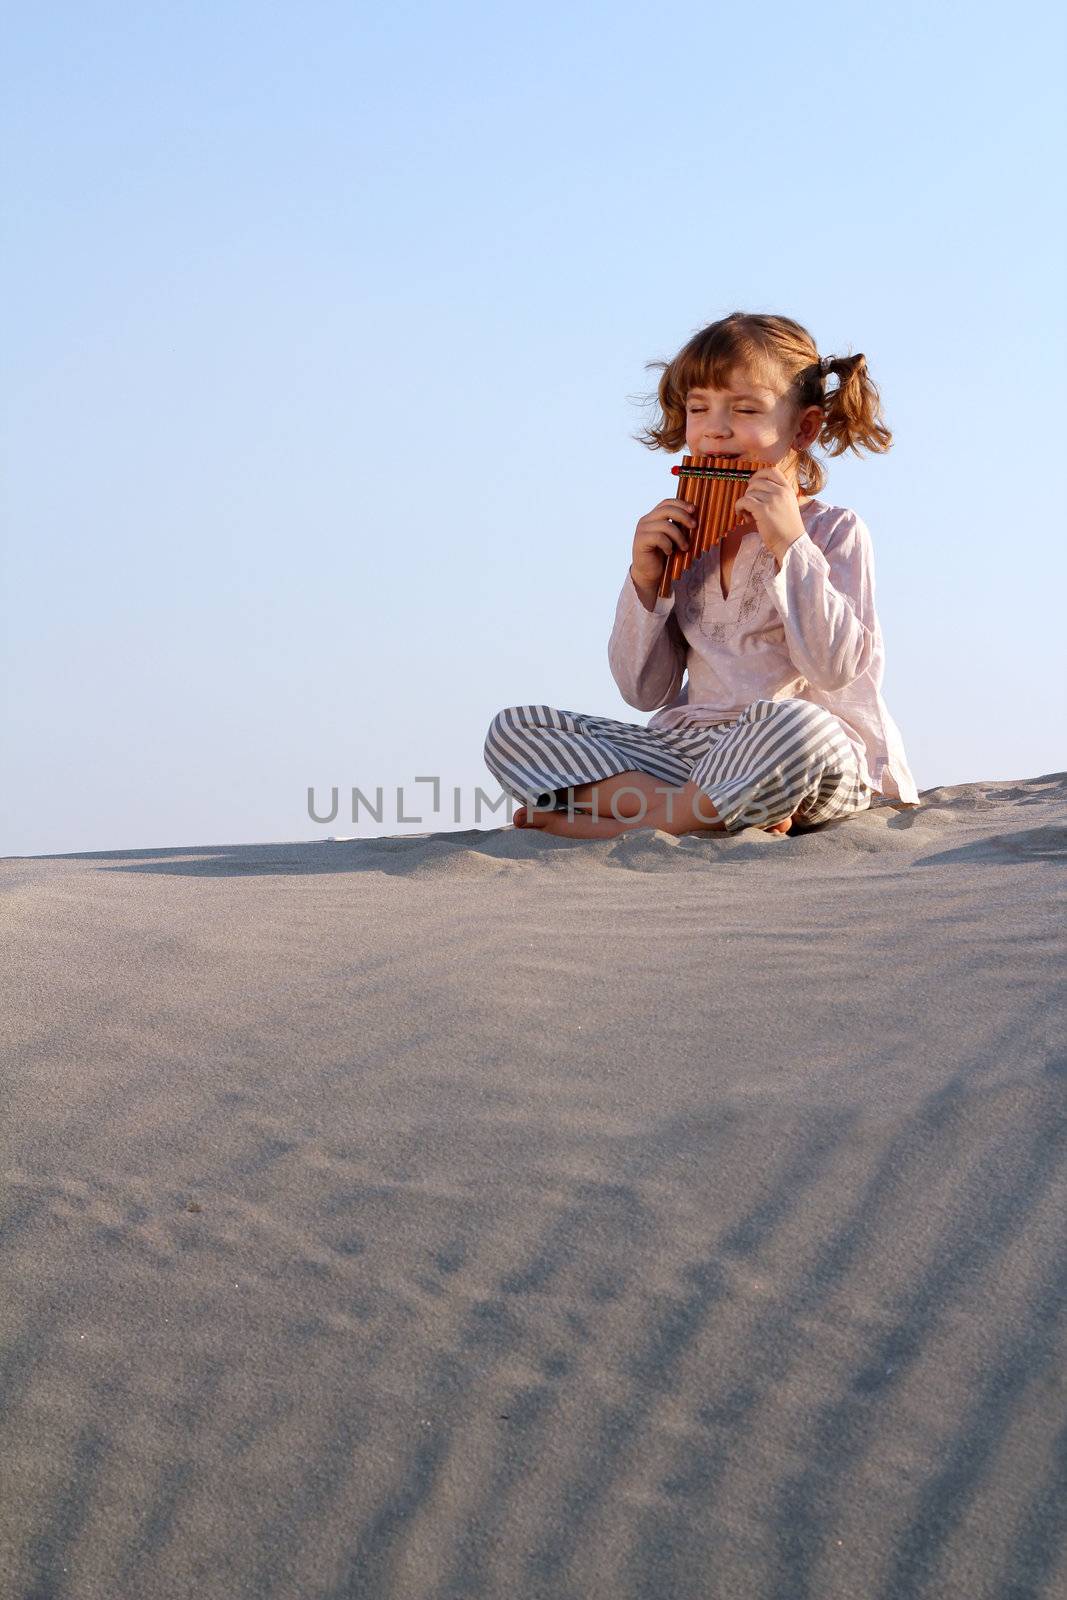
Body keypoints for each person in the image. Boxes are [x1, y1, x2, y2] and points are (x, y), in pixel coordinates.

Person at [483, 311, 919, 840]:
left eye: (744, 409)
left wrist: (790, 546)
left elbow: (834, 670)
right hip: (691, 753)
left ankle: (621, 826)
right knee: (515, 728)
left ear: (803, 427)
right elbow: (643, 692)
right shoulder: (686, 532)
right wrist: (645, 581)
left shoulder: (834, 531)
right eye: (698, 408)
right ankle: (705, 814)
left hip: (794, 749)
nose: (715, 427)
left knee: (799, 728)